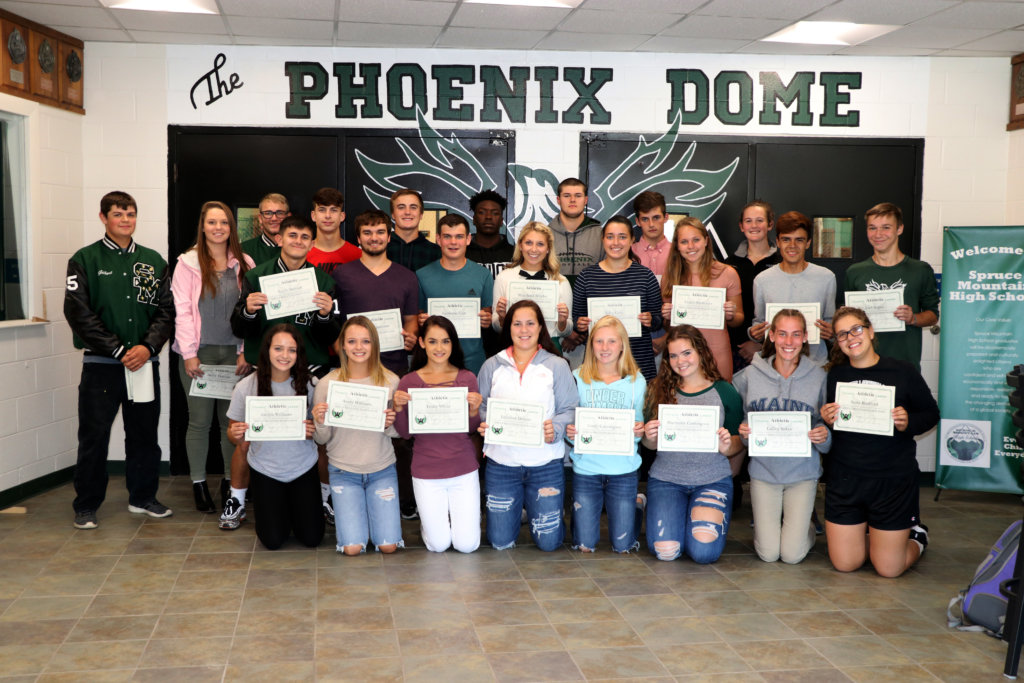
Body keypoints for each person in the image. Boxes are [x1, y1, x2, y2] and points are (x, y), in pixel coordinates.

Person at [64, 190, 175, 529]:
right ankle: (86, 505)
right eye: (118, 214)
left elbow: (166, 311)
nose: (125, 220)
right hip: (101, 366)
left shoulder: (153, 260)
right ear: (103, 218)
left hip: (144, 365)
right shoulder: (84, 259)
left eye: (130, 214)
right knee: (94, 437)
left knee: (144, 435)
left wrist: (148, 348)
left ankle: (143, 497)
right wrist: (116, 349)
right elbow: (78, 312)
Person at [223, 216, 339, 530]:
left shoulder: (323, 281)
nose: (298, 241)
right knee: (248, 435)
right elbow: (239, 327)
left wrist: (325, 315)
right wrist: (249, 310)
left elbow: (330, 337)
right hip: (265, 371)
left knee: (318, 436)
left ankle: (324, 497)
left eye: (304, 237)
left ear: (312, 243)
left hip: (309, 371)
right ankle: (236, 499)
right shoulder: (257, 276)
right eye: (292, 235)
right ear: (280, 239)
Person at [820, 306, 938, 578]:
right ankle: (872, 534)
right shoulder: (836, 375)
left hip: (891, 481)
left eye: (856, 329)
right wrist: (827, 418)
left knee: (888, 569)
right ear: (838, 342)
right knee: (846, 564)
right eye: (842, 334)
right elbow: (837, 423)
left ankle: (917, 535)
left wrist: (908, 422)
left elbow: (931, 414)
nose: (850, 338)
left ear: (871, 331)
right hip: (846, 480)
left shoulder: (903, 371)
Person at [171, 201, 254, 512]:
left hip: (235, 355)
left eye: (224, 222)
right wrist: (189, 354)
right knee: (199, 422)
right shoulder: (187, 263)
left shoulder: (244, 262)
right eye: (212, 222)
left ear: (231, 227)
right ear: (203, 227)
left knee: (229, 423)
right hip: (200, 355)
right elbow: (181, 311)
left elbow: (252, 312)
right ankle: (198, 483)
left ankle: (231, 482)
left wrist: (245, 351)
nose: (218, 228)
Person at [477, 300, 578, 550]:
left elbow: (570, 408)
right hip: (502, 465)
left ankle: (544, 509)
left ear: (540, 327)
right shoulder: (492, 365)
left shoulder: (557, 365)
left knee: (549, 543)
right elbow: (481, 406)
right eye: (517, 324)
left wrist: (556, 428)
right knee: (500, 542)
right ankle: (523, 510)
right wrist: (484, 422)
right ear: (508, 328)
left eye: (530, 323)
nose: (524, 330)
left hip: (545, 464)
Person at [733, 309, 831, 564]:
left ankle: (805, 529)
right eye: (783, 334)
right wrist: (744, 433)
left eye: (796, 334)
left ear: (805, 337)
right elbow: (744, 423)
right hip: (764, 473)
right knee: (768, 554)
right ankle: (779, 530)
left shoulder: (819, 377)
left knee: (791, 555)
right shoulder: (749, 376)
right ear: (772, 336)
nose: (789, 342)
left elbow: (826, 427)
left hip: (803, 474)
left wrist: (824, 436)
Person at [641, 325, 744, 563]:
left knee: (703, 553)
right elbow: (649, 446)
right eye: (673, 355)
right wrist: (650, 436)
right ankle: (647, 509)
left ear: (701, 351)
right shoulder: (658, 389)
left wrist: (727, 446)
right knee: (666, 551)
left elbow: (739, 441)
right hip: (666, 479)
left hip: (711, 479)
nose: (681, 361)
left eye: (687, 353)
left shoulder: (724, 391)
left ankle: (692, 520)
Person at [225, 324, 324, 550]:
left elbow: (321, 431)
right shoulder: (245, 386)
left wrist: (314, 429)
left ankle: (295, 511)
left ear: (298, 354)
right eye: (278, 348)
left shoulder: (311, 384)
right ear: (267, 350)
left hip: (302, 467)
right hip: (265, 470)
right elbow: (231, 433)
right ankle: (284, 513)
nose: (284, 355)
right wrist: (236, 433)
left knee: (312, 539)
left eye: (292, 350)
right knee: (272, 541)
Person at [313, 317, 403, 555]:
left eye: (366, 341)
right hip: (344, 472)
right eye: (352, 341)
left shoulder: (391, 381)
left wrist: (389, 424)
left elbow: (398, 433)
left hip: (382, 469)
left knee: (388, 546)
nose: (359, 347)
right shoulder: (327, 384)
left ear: (375, 345)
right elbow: (321, 439)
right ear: (342, 345)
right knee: (352, 549)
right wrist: (320, 421)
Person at [393, 316, 483, 553]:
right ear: (422, 342)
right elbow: (405, 433)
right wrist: (399, 408)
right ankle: (432, 525)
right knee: (438, 545)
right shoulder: (409, 382)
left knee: (467, 545)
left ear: (453, 343)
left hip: (463, 469)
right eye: (432, 341)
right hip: (426, 471)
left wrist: (474, 410)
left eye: (445, 341)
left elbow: (471, 428)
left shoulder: (467, 378)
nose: (439, 348)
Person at [565, 315, 646, 553]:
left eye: (612, 341)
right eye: (598, 341)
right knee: (584, 545)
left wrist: (638, 431)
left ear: (622, 345)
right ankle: (582, 517)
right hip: (587, 469)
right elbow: (571, 425)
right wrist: (571, 433)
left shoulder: (636, 381)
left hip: (623, 470)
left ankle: (636, 505)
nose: (605, 347)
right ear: (591, 345)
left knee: (623, 546)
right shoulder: (577, 377)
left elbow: (639, 425)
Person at [843, 202, 939, 372]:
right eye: (872, 228)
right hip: (863, 363)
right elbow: (848, 321)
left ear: (899, 229)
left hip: (905, 364)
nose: (878, 234)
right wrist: (844, 316)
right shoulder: (855, 272)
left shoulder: (920, 270)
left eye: (886, 227)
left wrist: (913, 318)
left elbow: (933, 316)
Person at [573, 216, 662, 381]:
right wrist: (580, 324)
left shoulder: (646, 276)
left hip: (638, 361)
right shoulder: (586, 277)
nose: (616, 242)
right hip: (600, 363)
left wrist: (651, 320)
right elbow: (577, 319)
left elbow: (658, 319)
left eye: (622, 237)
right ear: (602, 239)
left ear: (632, 240)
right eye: (610, 236)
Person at [333, 209, 419, 376]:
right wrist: (338, 347)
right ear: (359, 238)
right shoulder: (341, 275)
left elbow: (411, 320)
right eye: (367, 233)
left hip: (394, 368)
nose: (374, 238)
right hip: (352, 368)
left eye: (380, 232)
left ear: (389, 237)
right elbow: (333, 322)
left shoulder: (407, 277)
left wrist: (410, 336)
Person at [660, 216, 743, 381]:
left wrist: (731, 314)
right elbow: (669, 327)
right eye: (684, 242)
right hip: (681, 357)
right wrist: (667, 317)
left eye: (696, 240)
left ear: (706, 241)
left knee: (719, 395)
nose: (691, 246)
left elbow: (738, 319)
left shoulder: (727, 273)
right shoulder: (670, 277)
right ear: (677, 246)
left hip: (717, 352)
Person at [748, 211, 835, 366]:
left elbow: (831, 323)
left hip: (815, 364)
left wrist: (832, 332)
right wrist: (754, 333)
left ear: (808, 243)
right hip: (775, 366)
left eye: (799, 240)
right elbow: (759, 323)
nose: (792, 246)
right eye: (786, 239)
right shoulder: (762, 280)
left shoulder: (826, 278)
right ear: (778, 242)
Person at [416, 213, 494, 373]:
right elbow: (417, 317)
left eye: (459, 236)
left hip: (473, 362)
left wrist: (487, 319)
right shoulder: (421, 275)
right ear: (438, 239)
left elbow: (488, 314)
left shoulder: (483, 275)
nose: (453, 242)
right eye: (447, 236)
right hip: (434, 362)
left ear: (468, 239)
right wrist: (420, 320)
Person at [492, 221, 572, 345]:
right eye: (528, 243)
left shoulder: (561, 282)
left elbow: (567, 331)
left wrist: (562, 322)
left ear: (548, 248)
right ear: (520, 245)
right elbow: (496, 327)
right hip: (514, 345)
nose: (534, 249)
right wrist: (502, 318)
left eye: (540, 244)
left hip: (549, 345)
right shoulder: (504, 278)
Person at [725, 200, 780, 368]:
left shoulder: (782, 262)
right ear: (741, 226)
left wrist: (762, 345)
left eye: (759, 220)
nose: (754, 226)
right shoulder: (728, 264)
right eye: (748, 221)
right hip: (735, 349)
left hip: (774, 348)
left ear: (770, 225)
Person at [549, 177, 602, 353]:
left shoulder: (601, 234)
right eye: (567, 195)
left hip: (593, 325)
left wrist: (581, 331)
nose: (572, 200)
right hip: (555, 325)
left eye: (578, 195)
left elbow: (605, 279)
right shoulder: (545, 234)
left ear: (585, 200)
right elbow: (542, 282)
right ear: (558, 200)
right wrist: (566, 330)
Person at [630, 190, 672, 359]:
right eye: (645, 219)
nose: (651, 224)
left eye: (656, 217)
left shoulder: (679, 253)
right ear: (637, 221)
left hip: (672, 334)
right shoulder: (627, 254)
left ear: (666, 217)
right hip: (633, 332)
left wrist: (667, 337)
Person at [306, 187, 360, 277]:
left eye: (334, 210)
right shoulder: (301, 254)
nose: (328, 216)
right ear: (313, 215)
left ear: (342, 216)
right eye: (322, 210)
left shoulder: (357, 255)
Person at [387, 188, 441, 273]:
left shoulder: (436, 253)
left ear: (421, 214)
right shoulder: (381, 249)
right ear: (393, 214)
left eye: (413, 207)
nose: (407, 212)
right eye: (401, 207)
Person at [466, 189, 514, 278]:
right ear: (474, 219)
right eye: (482, 212)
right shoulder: (462, 253)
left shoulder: (515, 254)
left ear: (501, 221)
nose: (488, 217)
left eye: (495, 213)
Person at [241, 192, 289, 266]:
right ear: (260, 218)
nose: (274, 218)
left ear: (288, 217)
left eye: (280, 213)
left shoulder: (298, 247)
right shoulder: (244, 249)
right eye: (268, 213)